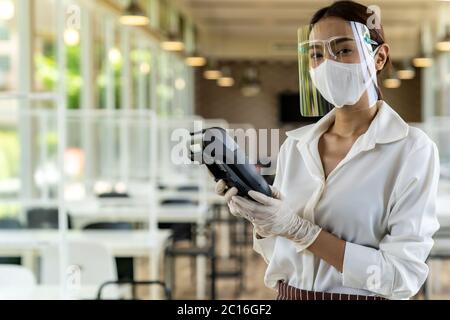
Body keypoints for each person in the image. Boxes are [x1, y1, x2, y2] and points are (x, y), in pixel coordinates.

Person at [215, 0, 440, 300]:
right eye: (317, 54)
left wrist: (301, 231)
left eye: (343, 50)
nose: (327, 64)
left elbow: (402, 277)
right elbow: (277, 258)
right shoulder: (295, 146)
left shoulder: (412, 150)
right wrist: (264, 223)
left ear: (379, 57)